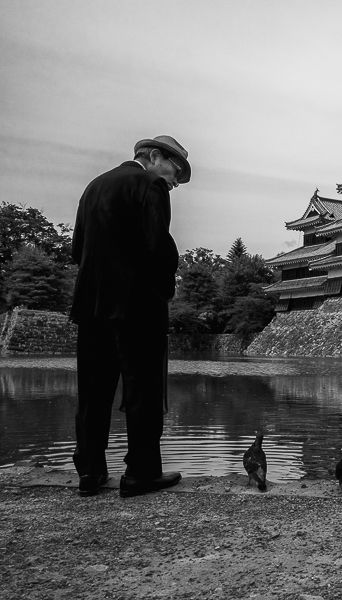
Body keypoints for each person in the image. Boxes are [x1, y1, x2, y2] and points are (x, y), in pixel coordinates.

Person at [69, 135, 191, 498]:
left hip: (91, 305)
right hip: (136, 306)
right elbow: (157, 246)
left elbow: (78, 248)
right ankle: (140, 473)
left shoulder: (94, 186)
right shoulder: (150, 185)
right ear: (154, 157)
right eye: (175, 172)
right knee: (143, 389)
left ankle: (90, 473)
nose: (173, 182)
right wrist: (163, 290)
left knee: (93, 392)